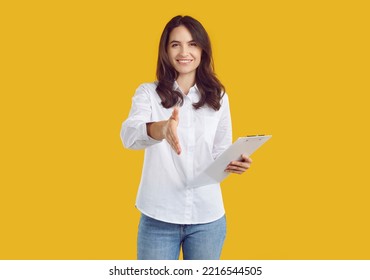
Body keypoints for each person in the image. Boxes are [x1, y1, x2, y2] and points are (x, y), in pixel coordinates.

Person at [120, 15, 252, 260]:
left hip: (208, 219)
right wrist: (162, 129)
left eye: (192, 44)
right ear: (166, 50)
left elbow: (219, 151)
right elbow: (128, 135)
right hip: (158, 217)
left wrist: (234, 162)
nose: (184, 52)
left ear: (202, 49)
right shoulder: (148, 93)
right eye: (175, 44)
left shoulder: (219, 97)